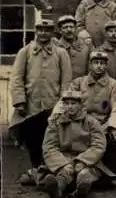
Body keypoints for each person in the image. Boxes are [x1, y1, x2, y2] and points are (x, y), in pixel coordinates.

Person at [9, 19, 72, 185]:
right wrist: (20, 101)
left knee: (51, 140)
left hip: (53, 106)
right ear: (36, 31)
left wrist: (63, 104)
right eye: (40, 30)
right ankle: (37, 171)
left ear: (52, 32)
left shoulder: (60, 53)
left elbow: (66, 81)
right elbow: (16, 78)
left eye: (47, 30)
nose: (43, 33)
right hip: (31, 106)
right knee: (33, 139)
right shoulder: (25, 52)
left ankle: (50, 171)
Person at [50, 51, 116, 179]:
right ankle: (68, 170)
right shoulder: (79, 83)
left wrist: (112, 126)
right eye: (96, 63)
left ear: (106, 66)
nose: (99, 66)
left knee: (115, 140)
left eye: (102, 63)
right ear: (90, 65)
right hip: (80, 123)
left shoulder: (114, 85)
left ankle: (110, 175)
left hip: (103, 125)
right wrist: (55, 114)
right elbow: (67, 100)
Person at [43, 90, 116, 198]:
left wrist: (83, 161)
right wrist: (63, 164)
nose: (70, 107)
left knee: (85, 173)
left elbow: (99, 145)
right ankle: (57, 191)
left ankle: (79, 193)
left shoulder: (91, 122)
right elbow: (49, 146)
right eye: (67, 104)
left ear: (80, 105)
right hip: (64, 158)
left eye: (73, 103)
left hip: (87, 160)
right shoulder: (55, 123)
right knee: (64, 173)